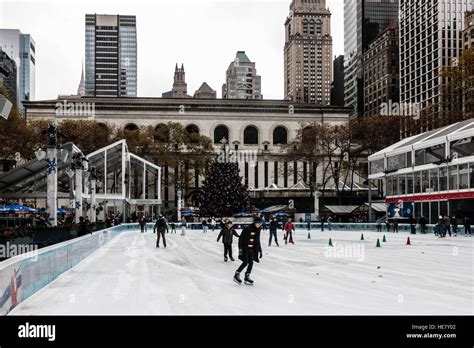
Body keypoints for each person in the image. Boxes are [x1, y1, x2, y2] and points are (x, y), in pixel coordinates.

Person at [234, 217, 263, 285]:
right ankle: (236, 274)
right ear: (255, 222)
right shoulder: (247, 229)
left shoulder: (258, 229)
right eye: (259, 223)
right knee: (245, 262)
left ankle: (247, 277)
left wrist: (260, 250)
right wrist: (240, 250)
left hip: (252, 249)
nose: (260, 225)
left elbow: (257, 240)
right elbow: (240, 239)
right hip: (245, 248)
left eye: (260, 223)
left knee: (251, 263)